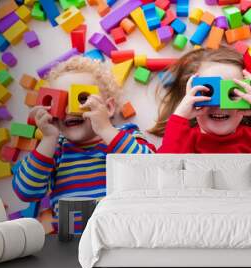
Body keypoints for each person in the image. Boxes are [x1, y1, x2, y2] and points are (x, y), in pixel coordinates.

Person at [12, 56, 156, 232]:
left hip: (125, 238)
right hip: (73, 246)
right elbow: (25, 191)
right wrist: (48, 138)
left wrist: (105, 129)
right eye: (60, 102)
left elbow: (152, 169)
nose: (69, 110)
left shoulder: (126, 136)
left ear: (108, 108)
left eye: (81, 99)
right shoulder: (55, 150)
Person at [150, 46, 251, 196]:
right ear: (192, 97)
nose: (221, 105)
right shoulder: (182, 139)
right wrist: (180, 117)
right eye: (209, 93)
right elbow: (164, 180)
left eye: (232, 94)